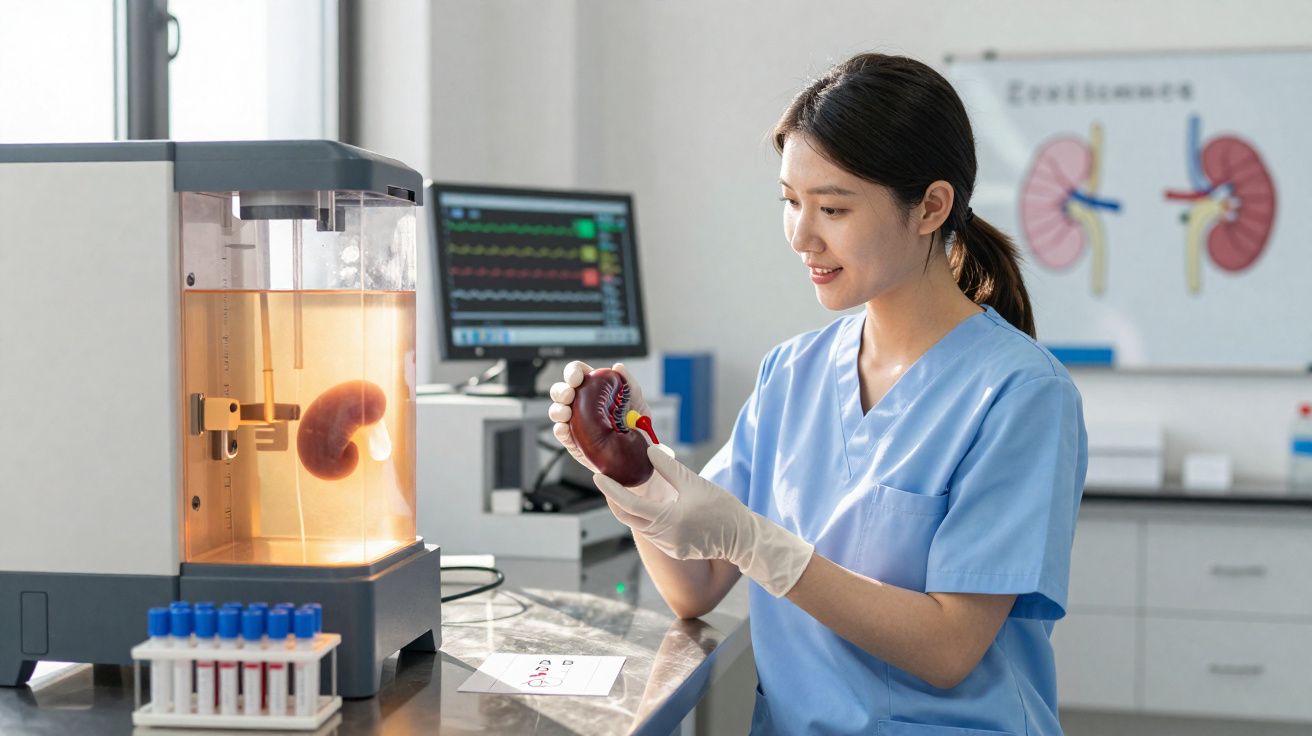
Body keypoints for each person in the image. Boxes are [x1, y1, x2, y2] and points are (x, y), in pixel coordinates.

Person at [548, 52, 1086, 736]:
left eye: (832, 207)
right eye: (790, 202)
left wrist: (759, 545)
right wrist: (621, 469)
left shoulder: (1020, 395)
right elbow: (694, 587)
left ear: (931, 206)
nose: (802, 236)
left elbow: (949, 649)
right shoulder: (790, 375)